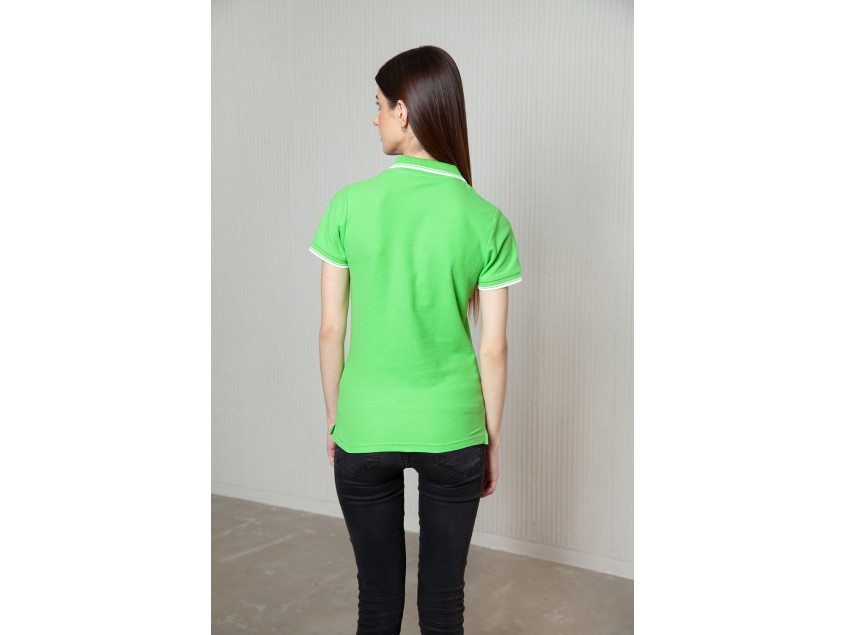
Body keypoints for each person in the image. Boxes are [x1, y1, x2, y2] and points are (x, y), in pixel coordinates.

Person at [308, 45, 522, 635]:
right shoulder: (487, 220)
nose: (373, 118)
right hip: (454, 430)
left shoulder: (347, 206)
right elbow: (494, 349)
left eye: (378, 105)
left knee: (377, 604)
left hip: (365, 424)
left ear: (403, 112)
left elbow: (330, 329)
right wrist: (490, 441)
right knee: (443, 607)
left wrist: (337, 420)